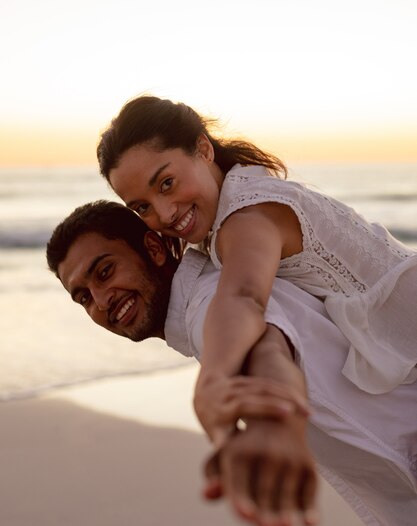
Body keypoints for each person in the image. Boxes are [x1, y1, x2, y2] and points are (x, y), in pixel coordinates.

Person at [46, 201, 417, 526]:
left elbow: (266, 344)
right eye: (83, 297)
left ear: (153, 247)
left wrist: (267, 419)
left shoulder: (210, 305)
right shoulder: (226, 275)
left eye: (105, 271)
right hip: (397, 525)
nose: (101, 301)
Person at [96, 94, 417, 449]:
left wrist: (214, 379)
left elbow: (244, 296)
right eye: (142, 206)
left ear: (203, 149)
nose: (165, 214)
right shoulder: (236, 197)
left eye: (166, 183)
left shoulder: (247, 217)